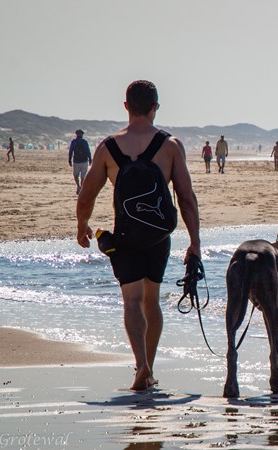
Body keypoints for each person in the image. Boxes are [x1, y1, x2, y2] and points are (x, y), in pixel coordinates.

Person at [76, 80, 201, 391]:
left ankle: (140, 363)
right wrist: (194, 243)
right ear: (155, 107)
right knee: (151, 301)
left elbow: (87, 194)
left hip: (126, 236)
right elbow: (186, 198)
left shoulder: (109, 148)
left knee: (131, 301)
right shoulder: (170, 146)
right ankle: (150, 368)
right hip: (158, 238)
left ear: (126, 107)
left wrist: (82, 224)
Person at [69, 129, 92, 195]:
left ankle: (78, 186)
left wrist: (69, 160)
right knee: (83, 176)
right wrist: (90, 159)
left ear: (76, 134)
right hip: (84, 161)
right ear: (82, 134)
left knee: (76, 175)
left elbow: (71, 151)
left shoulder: (74, 142)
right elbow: (88, 151)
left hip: (76, 161)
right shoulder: (84, 142)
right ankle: (81, 188)